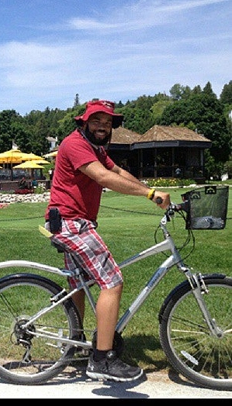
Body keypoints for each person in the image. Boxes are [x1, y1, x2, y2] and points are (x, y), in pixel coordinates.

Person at [45, 99, 170, 382]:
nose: (103, 127)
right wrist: (149, 196)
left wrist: (152, 191)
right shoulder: (75, 144)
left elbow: (116, 172)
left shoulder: (97, 148)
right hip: (70, 222)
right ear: (84, 122)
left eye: (107, 123)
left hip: (70, 221)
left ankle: (75, 343)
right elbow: (102, 177)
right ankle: (102, 359)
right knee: (112, 281)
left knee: (79, 283)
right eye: (96, 121)